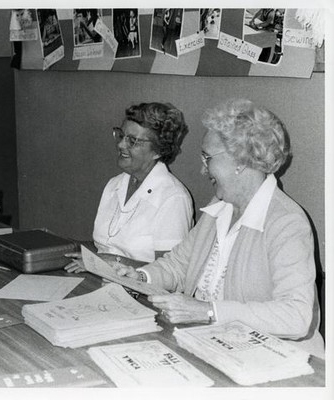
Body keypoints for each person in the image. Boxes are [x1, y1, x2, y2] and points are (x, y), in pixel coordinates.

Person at [115, 99, 324, 359]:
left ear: (240, 160)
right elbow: (177, 266)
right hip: (218, 348)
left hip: (280, 362)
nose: (203, 169)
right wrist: (140, 278)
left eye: (207, 157)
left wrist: (208, 310)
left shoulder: (287, 222)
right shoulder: (220, 207)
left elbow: (296, 316)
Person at [65, 102, 193, 272]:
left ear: (158, 151)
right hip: (102, 279)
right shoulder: (114, 184)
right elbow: (105, 246)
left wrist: (112, 261)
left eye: (132, 141)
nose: (120, 145)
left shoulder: (174, 199)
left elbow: (171, 272)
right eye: (121, 135)